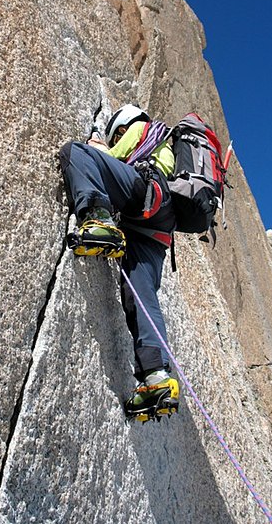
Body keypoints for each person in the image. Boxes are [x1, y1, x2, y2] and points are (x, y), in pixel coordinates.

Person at [59, 104, 180, 421]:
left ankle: (98, 219)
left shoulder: (145, 129)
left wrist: (100, 147)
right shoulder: (165, 145)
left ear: (126, 126)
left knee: (77, 153)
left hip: (145, 193)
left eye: (120, 134)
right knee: (140, 294)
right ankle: (156, 377)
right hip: (156, 229)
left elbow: (113, 159)